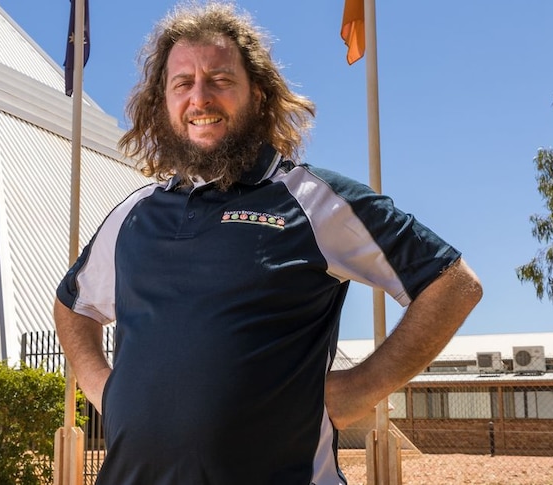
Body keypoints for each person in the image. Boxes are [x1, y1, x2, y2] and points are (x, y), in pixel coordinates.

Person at [54, 2, 482, 484]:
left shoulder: (312, 200)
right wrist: (105, 389)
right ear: (162, 103)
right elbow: (74, 307)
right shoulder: (131, 215)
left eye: (220, 79)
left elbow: (453, 285)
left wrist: (360, 389)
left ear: (257, 95)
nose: (201, 97)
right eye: (182, 83)